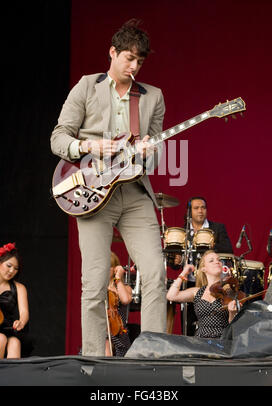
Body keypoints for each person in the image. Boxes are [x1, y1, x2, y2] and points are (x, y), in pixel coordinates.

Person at [51, 19, 167, 356]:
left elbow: (154, 158)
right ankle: (92, 360)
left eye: (140, 61)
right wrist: (89, 147)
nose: (134, 66)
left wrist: (148, 152)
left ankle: (154, 355)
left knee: (156, 273)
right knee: (95, 281)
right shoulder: (87, 87)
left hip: (133, 195)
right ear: (112, 52)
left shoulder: (152, 97)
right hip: (91, 194)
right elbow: (58, 138)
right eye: (129, 58)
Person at [167, 250, 238, 338]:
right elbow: (171, 296)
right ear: (204, 269)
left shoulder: (228, 291)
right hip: (200, 342)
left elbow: (234, 327)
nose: (217, 262)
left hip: (222, 341)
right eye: (211, 260)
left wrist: (232, 313)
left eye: (218, 260)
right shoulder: (197, 292)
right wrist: (184, 273)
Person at [0, 243, 30, 359]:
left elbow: (24, 312)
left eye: (16, 269)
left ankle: (12, 377)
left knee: (15, 343)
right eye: (9, 266)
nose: (12, 271)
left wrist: (21, 322)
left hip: (6, 327)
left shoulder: (19, 288)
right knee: (0, 338)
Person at [105, 252, 132, 357]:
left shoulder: (125, 288)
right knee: (103, 339)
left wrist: (118, 279)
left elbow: (125, 299)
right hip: (103, 329)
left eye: (109, 267)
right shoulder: (98, 288)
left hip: (118, 332)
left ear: (115, 269)